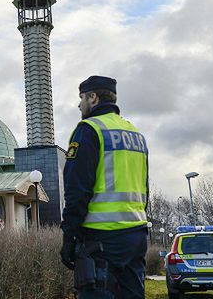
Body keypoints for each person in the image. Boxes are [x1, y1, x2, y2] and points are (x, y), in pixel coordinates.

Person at [60, 76, 149, 299]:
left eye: (81, 98)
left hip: (101, 240)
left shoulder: (89, 130)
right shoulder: (135, 133)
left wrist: (69, 237)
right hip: (136, 235)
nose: (79, 105)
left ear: (93, 97)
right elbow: (145, 185)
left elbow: (77, 189)